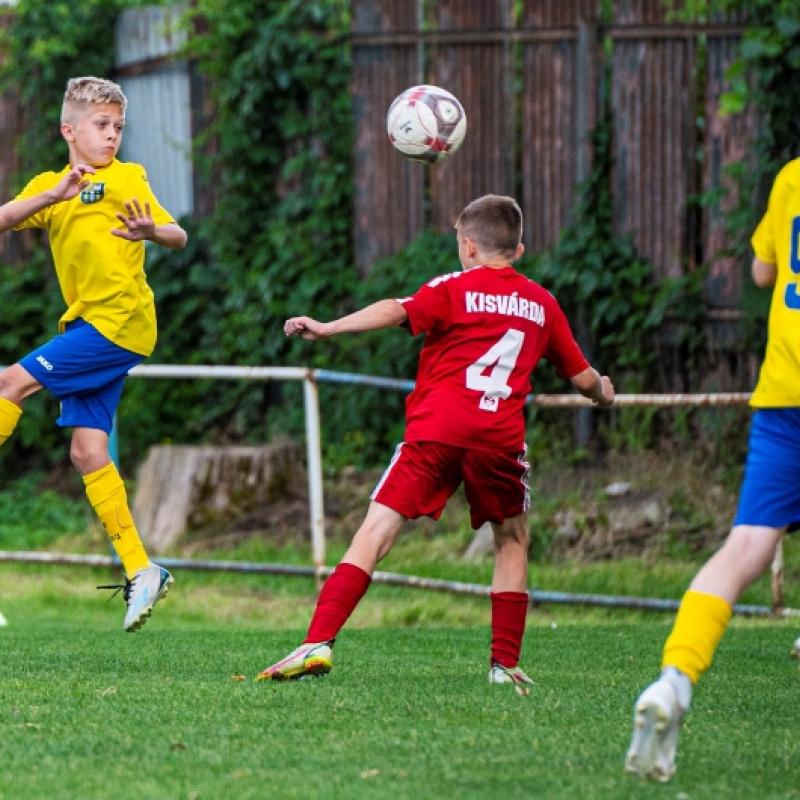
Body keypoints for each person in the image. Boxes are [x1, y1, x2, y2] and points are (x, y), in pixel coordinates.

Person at [256, 194, 615, 688]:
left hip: (437, 431)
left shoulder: (454, 289)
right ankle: (504, 666)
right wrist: (605, 394)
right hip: (497, 439)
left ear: (468, 247)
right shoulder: (543, 304)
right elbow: (583, 380)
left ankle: (316, 642)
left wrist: (330, 327)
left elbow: (395, 310)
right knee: (511, 542)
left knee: (376, 530)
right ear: (520, 249)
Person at [625, 157, 800, 782]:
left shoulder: (790, 177)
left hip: (784, 394)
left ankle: (674, 682)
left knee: (747, 546)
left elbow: (760, 271)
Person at [0, 77, 187, 632]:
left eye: (118, 127)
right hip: (91, 327)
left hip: (119, 324)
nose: (112, 136)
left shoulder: (129, 178)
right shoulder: (50, 188)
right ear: (69, 130)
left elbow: (178, 234)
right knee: (87, 452)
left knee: (10, 383)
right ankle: (142, 568)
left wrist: (152, 230)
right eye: (102, 126)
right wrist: (52, 196)